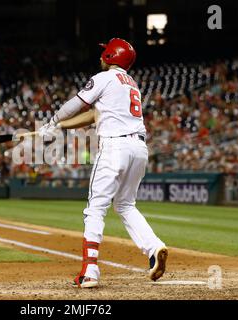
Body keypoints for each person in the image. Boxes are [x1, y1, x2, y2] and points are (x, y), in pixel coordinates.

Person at [39, 38, 168, 288]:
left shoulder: (103, 77)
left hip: (114, 147)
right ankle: (154, 248)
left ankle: (90, 270)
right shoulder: (130, 84)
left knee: (96, 207)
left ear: (110, 56)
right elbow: (95, 115)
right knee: (126, 205)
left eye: (104, 52)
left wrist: (53, 119)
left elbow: (75, 105)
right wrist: (58, 126)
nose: (101, 56)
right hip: (139, 148)